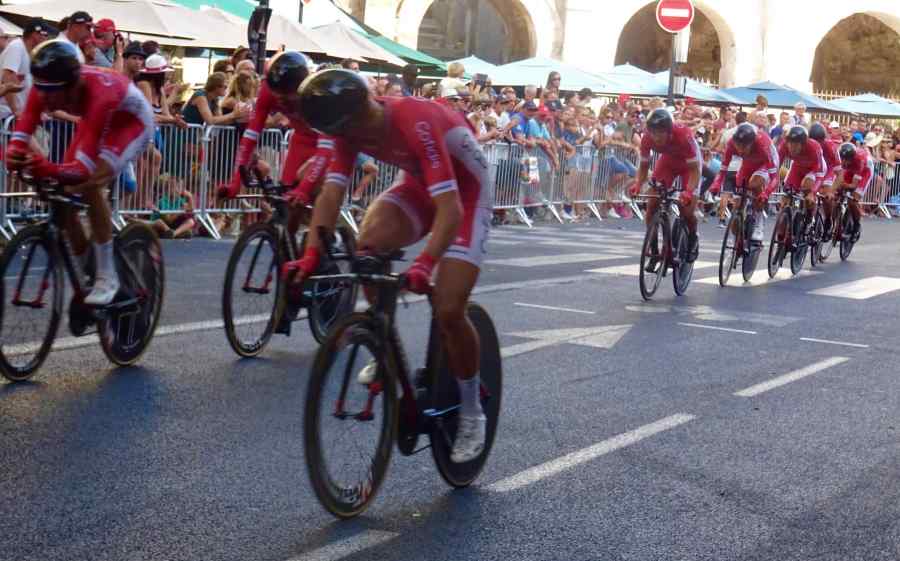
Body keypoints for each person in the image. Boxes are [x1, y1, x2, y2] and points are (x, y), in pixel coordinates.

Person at [289, 69, 493, 463]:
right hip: (419, 187)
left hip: (466, 195)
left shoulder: (415, 120)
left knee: (449, 308)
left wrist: (424, 263)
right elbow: (331, 194)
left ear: (360, 112)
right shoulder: (345, 129)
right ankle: (383, 342)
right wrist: (311, 254)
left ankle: (471, 411)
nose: (344, 137)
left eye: (346, 129)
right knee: (368, 247)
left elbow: (451, 209)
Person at [6, 40, 154, 305]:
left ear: (74, 84)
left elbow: (82, 171)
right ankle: (89, 267)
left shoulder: (100, 93)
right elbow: (22, 129)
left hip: (130, 124)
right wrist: (14, 154)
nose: (47, 99)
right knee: (62, 199)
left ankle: (107, 276)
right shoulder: (46, 86)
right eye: (42, 91)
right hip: (94, 122)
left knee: (90, 184)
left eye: (54, 93)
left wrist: (43, 166)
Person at [628, 108, 701, 268]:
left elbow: (695, 171)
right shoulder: (647, 138)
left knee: (686, 209)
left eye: (660, 133)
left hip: (689, 166)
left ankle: (692, 238)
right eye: (653, 132)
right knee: (652, 205)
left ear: (669, 131)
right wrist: (638, 184)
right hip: (668, 163)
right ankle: (654, 250)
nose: (656, 137)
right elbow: (644, 165)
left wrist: (688, 192)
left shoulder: (683, 135)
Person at [711, 123, 780, 241]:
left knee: (754, 184)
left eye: (744, 147)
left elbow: (775, 178)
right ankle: (739, 234)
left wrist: (766, 193)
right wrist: (716, 184)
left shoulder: (762, 145)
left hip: (765, 164)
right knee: (738, 201)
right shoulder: (731, 144)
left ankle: (759, 222)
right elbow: (723, 170)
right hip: (748, 164)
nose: (740, 150)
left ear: (752, 143)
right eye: (738, 146)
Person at [0, 18, 51, 120]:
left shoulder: (32, 52)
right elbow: (7, 78)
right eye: (45, 34)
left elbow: (29, 85)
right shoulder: (16, 47)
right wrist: (16, 111)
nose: (47, 38)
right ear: (35, 34)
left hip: (15, 115)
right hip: (6, 114)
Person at [777, 126, 825, 224]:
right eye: (790, 143)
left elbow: (819, 174)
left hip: (814, 170)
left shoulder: (814, 147)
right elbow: (776, 167)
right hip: (797, 167)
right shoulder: (783, 146)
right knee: (788, 192)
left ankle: (810, 216)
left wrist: (812, 193)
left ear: (803, 144)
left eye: (796, 145)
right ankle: (786, 220)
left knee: (806, 187)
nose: (792, 148)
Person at [834, 142, 873, 235]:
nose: (843, 162)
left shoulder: (859, 160)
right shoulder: (838, 157)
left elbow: (853, 185)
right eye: (842, 158)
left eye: (846, 159)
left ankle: (856, 224)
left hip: (865, 171)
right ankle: (836, 222)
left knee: (853, 200)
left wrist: (842, 184)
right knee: (835, 194)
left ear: (852, 158)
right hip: (851, 169)